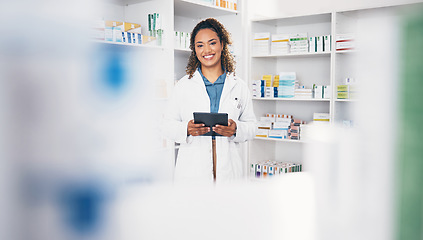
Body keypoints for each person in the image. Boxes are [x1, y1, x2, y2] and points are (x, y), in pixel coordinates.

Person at [163, 18, 256, 183]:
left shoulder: (238, 86)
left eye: (212, 43)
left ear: (222, 44)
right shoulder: (183, 86)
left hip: (229, 174)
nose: (206, 50)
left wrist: (236, 129)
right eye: (200, 45)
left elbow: (252, 126)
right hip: (193, 174)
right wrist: (187, 128)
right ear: (195, 50)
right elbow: (167, 125)